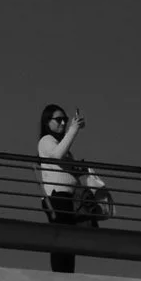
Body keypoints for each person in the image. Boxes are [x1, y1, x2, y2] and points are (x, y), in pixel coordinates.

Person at [37, 103, 108, 272]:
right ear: (48, 122)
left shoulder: (61, 145)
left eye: (65, 120)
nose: (63, 123)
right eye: (59, 119)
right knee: (62, 238)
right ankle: (61, 274)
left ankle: (67, 274)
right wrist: (73, 129)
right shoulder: (46, 140)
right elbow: (56, 155)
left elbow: (64, 166)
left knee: (69, 239)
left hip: (69, 198)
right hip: (57, 197)